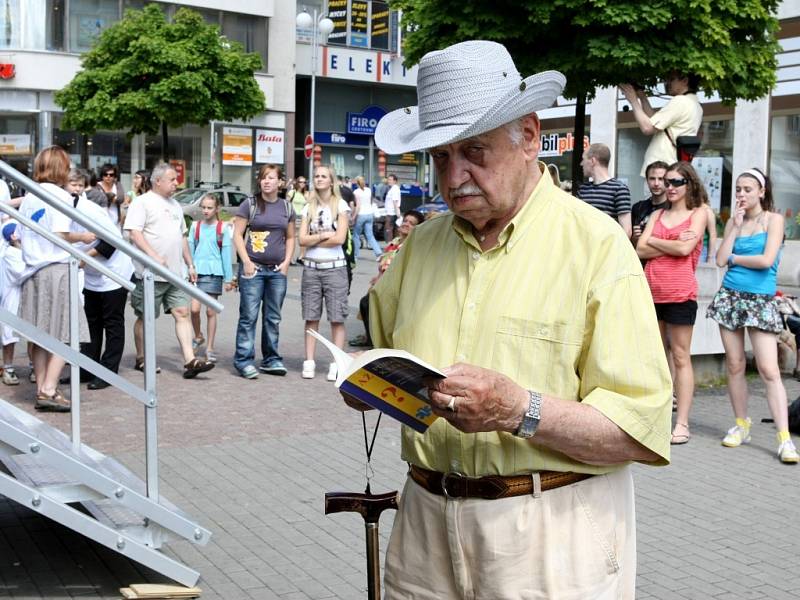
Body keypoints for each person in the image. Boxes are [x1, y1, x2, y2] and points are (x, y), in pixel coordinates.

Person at [356, 41, 671, 598]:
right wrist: (366, 385)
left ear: (528, 136)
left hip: (551, 530)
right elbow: (382, 358)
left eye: (473, 152)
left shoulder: (597, 246)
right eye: (439, 157)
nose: (454, 178)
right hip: (424, 525)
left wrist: (518, 409)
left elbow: (638, 431)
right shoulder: (420, 246)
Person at [708, 168, 799, 463]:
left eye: (748, 189)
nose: (742, 195)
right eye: (738, 189)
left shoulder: (774, 220)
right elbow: (719, 259)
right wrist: (732, 228)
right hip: (731, 296)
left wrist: (735, 258)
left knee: (769, 370)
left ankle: (785, 439)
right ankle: (741, 424)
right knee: (735, 365)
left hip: (761, 299)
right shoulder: (737, 222)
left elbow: (766, 260)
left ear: (761, 191)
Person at [636, 162, 708, 445]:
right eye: (667, 182)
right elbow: (640, 247)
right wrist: (671, 241)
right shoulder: (657, 213)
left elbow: (685, 249)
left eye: (676, 182)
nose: (670, 187)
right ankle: (658, 417)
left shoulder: (698, 213)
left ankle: (682, 423)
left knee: (680, 356)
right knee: (655, 357)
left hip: (680, 294)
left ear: (689, 184)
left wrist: (658, 241)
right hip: (651, 292)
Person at [17, 146, 93, 412]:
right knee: (66, 332)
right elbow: (61, 232)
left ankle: (42, 387)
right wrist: (83, 237)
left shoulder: (30, 197)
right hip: (57, 268)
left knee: (39, 334)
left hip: (33, 270)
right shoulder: (60, 196)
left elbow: (19, 234)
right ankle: (50, 388)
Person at [124, 163, 214, 380]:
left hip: (175, 273)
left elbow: (181, 236)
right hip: (149, 274)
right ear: (158, 181)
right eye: (172, 179)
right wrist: (153, 256)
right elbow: (134, 233)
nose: (176, 183)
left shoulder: (175, 205)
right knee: (145, 316)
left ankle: (190, 360)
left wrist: (190, 263)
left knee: (182, 313)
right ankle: (142, 357)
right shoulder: (142, 203)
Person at [67, 168, 135, 390]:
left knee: (112, 324)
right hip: (93, 276)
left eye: (75, 184)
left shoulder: (91, 210)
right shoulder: (64, 209)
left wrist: (85, 257)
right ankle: (87, 369)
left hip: (114, 274)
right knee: (91, 324)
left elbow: (112, 241)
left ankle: (107, 372)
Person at [232, 165, 295, 379]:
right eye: (263, 178)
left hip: (277, 271)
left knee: (273, 318)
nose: (266, 181)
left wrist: (287, 262)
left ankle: (271, 359)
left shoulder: (286, 207)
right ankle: (243, 360)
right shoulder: (249, 205)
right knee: (249, 316)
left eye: (271, 178)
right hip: (253, 269)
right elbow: (237, 235)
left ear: (280, 182)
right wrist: (247, 262)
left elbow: (291, 237)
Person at [299, 164, 351, 382]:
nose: (319, 179)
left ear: (331, 181)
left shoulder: (340, 205)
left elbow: (340, 238)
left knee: (336, 318)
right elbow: (302, 239)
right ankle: (309, 361)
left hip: (334, 269)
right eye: (316, 176)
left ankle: (336, 362)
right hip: (311, 269)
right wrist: (322, 235)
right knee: (311, 317)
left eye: (323, 176)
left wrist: (314, 237)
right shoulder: (307, 207)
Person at [349, 209, 423, 348]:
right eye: (405, 220)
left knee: (367, 304)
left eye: (411, 223)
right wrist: (378, 277)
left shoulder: (413, 246)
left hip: (398, 288)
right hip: (383, 284)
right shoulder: (394, 242)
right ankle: (371, 337)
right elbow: (384, 264)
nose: (406, 224)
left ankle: (374, 341)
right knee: (367, 304)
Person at [619, 73, 703, 176]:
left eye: (672, 79)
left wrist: (633, 101)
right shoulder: (695, 104)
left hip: (660, 169)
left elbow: (647, 128)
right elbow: (655, 121)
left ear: (685, 81)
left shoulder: (680, 101)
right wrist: (642, 97)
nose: (667, 83)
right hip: (671, 166)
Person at [188, 194, 233, 365]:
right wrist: (189, 269)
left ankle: (210, 348)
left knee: (210, 311)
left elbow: (226, 255)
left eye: (209, 208)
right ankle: (198, 336)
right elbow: (190, 251)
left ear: (217, 209)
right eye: (204, 207)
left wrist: (228, 279)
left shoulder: (222, 228)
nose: (206, 211)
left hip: (214, 273)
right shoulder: (195, 227)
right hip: (197, 274)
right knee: (193, 309)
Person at [577, 143, 632, 238]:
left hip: (606, 249)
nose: (581, 163)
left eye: (584, 159)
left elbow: (627, 231)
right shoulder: (583, 189)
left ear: (593, 161)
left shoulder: (619, 189)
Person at [0, 222, 25, 386]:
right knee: (9, 334)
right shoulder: (10, 253)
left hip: (25, 296)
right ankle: (8, 367)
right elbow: (23, 272)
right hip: (12, 297)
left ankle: (33, 367)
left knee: (34, 335)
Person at [631, 160, 669, 249]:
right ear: (647, 180)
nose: (656, 183)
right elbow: (631, 244)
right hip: (641, 260)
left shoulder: (673, 208)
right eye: (652, 178)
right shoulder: (638, 207)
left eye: (661, 179)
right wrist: (635, 238)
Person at [351, 176, 383, 260]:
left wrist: (353, 216)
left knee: (356, 235)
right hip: (369, 214)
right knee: (370, 235)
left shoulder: (356, 192)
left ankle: (355, 255)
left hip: (361, 214)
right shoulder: (368, 190)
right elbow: (370, 202)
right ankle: (378, 253)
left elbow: (358, 206)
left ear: (357, 183)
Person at [288, 176, 309, 264]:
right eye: (300, 182)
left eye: (304, 182)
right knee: (291, 238)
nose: (302, 184)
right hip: (293, 217)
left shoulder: (306, 193)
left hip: (303, 217)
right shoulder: (292, 192)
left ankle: (301, 257)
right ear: (297, 183)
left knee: (303, 237)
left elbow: (309, 204)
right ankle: (290, 258)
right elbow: (287, 204)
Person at [383, 174, 401, 242]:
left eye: (390, 180)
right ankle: (392, 246)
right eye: (388, 179)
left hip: (391, 213)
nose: (388, 181)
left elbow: (395, 202)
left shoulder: (395, 189)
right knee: (392, 230)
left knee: (389, 230)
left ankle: (390, 246)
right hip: (391, 212)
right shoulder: (393, 188)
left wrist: (397, 213)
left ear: (395, 181)